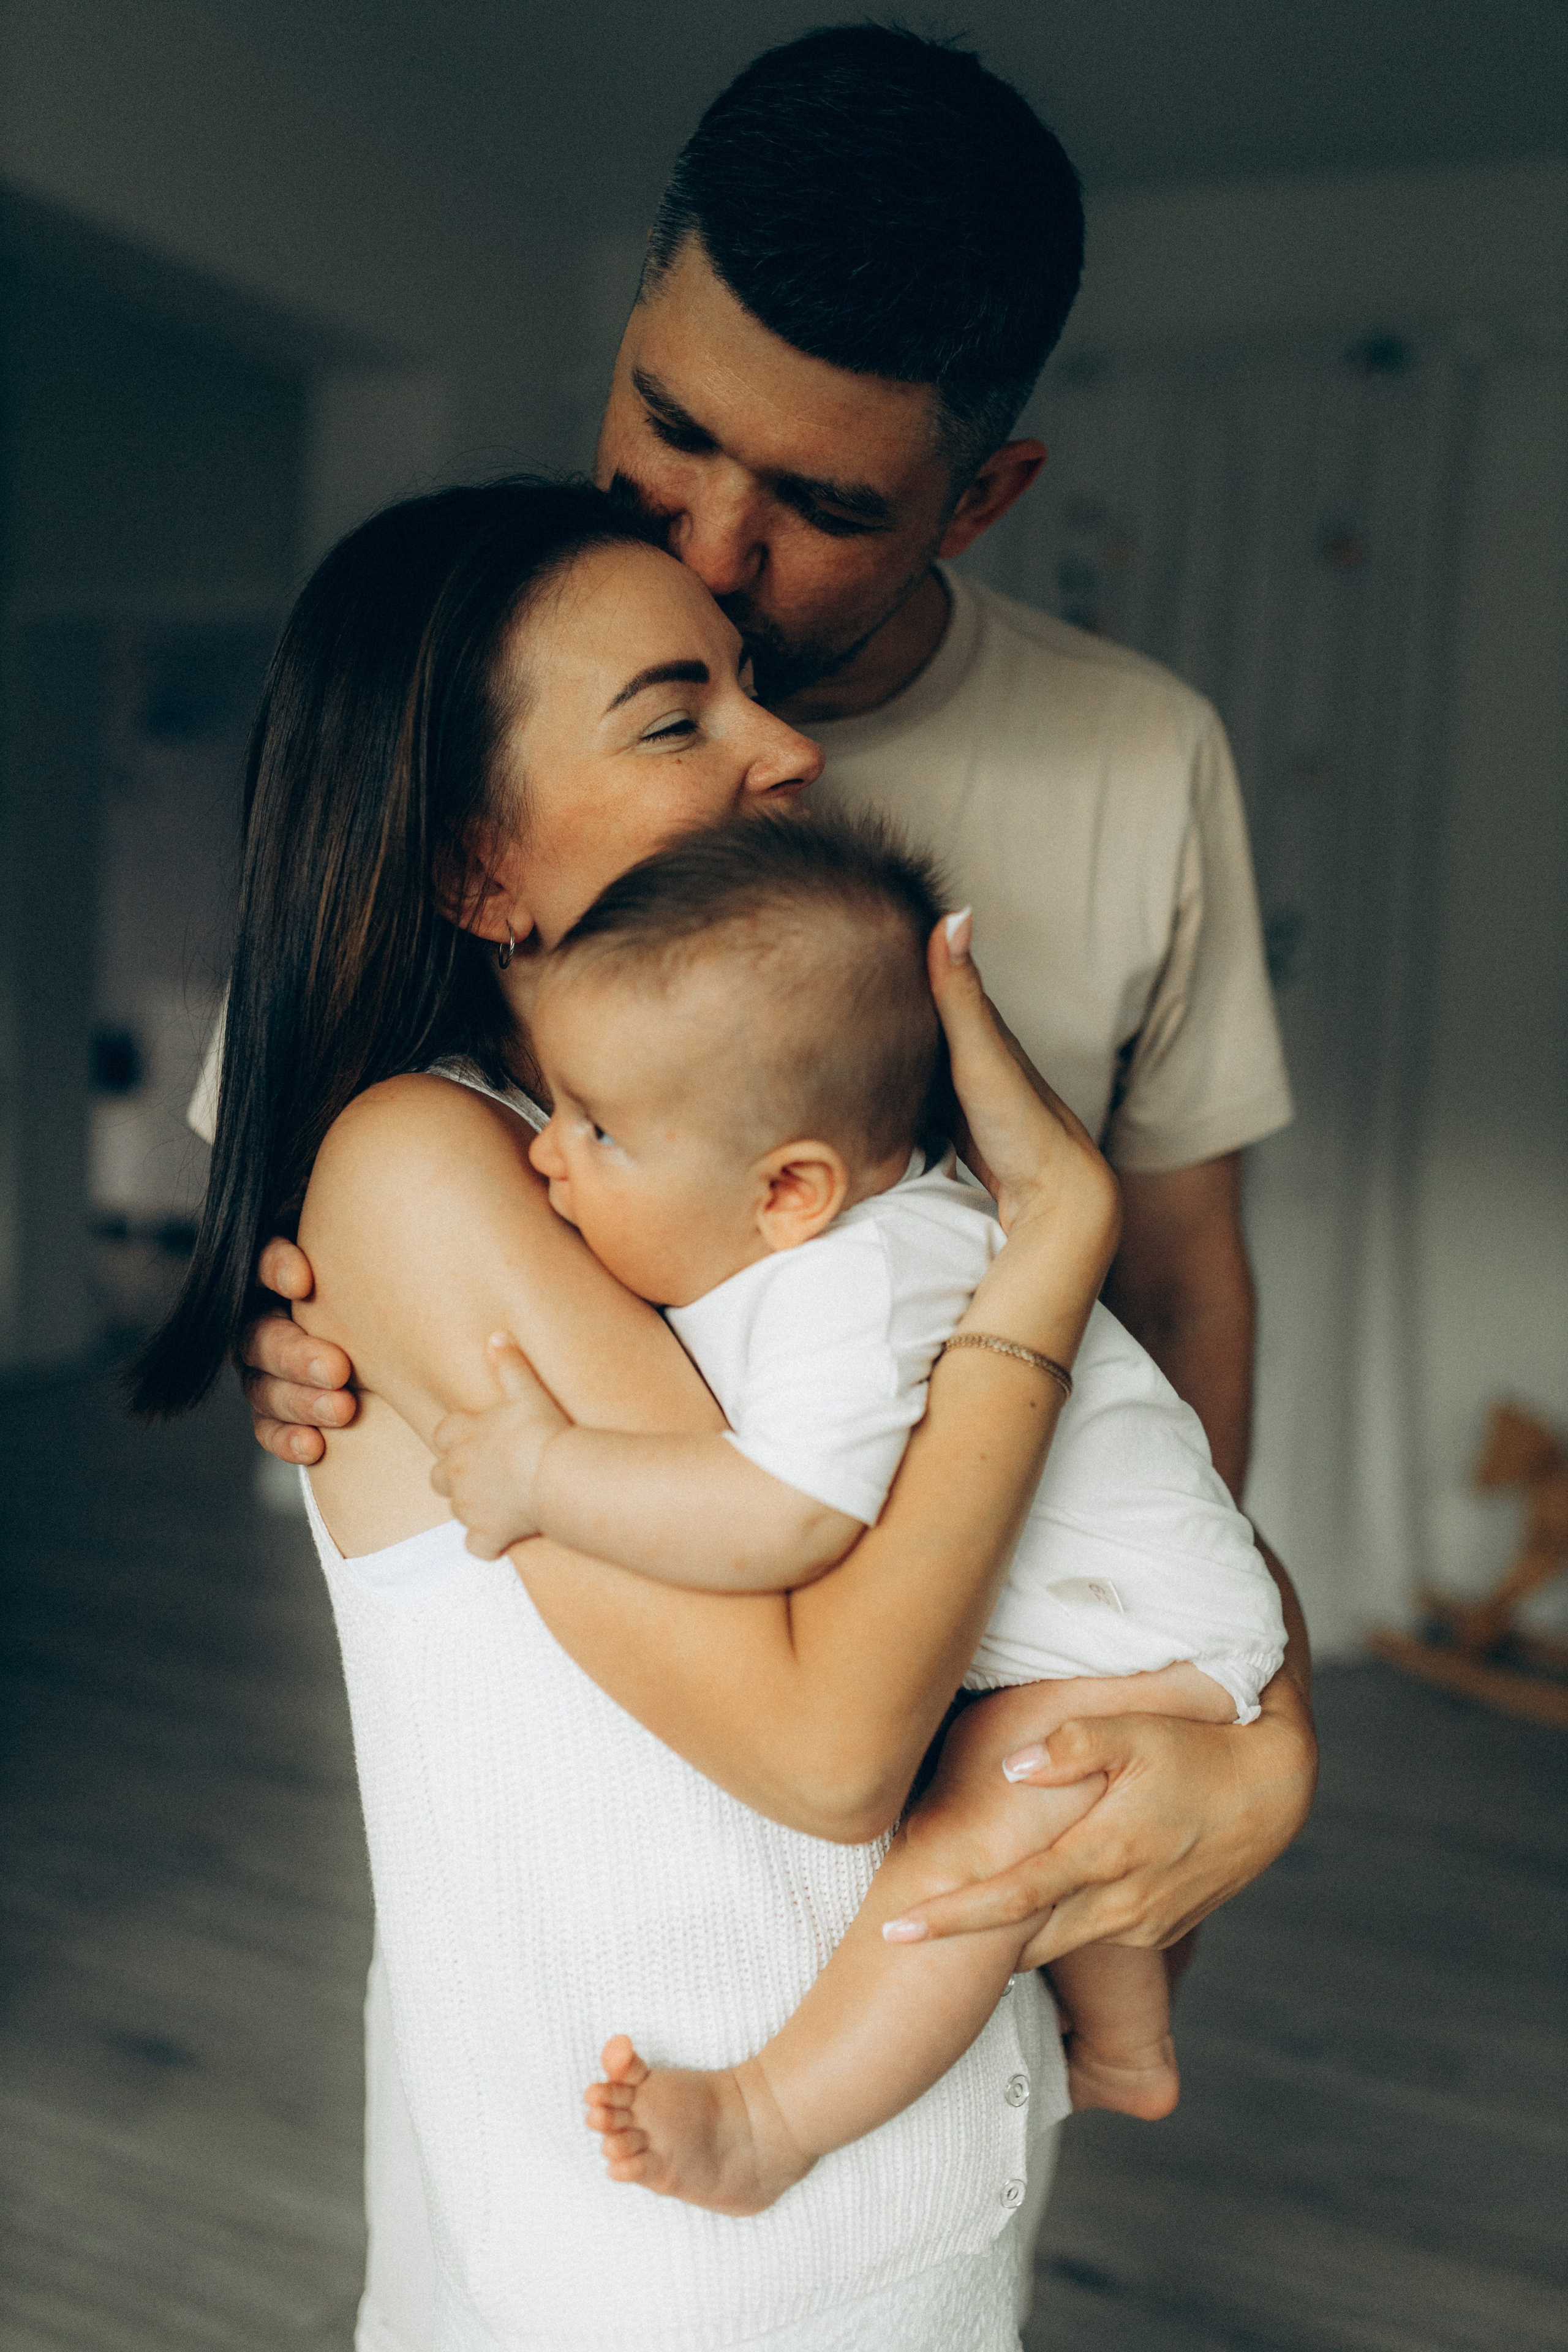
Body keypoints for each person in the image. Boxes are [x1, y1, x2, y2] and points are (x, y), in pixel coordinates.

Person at [205, 27, 1316, 2338]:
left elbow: (1180, 1314)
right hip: (653, 1948)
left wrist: (1228, 1725)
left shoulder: (1133, 768)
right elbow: (339, 1246)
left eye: (809, 504)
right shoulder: (479, 711)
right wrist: (330, 1344)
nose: (710, 542)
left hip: (882, 1948)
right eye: (673, 427)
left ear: (979, 495)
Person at [146, 478, 1135, 2348]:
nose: (784, 746)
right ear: (473, 871)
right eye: (677, 716)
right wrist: (1046, 1269)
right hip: (686, 2221)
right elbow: (831, 1742)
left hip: (867, 2144)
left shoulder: (755, 1171)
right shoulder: (435, 1169)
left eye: (749, 681)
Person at [424, 810, 1286, 2216]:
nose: (547, 1156)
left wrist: (543, 1478)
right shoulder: (827, 1234)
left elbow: (783, 1519)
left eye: (596, 1131)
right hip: (1153, 1615)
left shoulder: (853, 1282)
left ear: (787, 1190)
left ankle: (771, 2122)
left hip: (1147, 1641)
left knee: (968, 1842)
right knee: (1032, 1804)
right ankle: (1124, 2041)